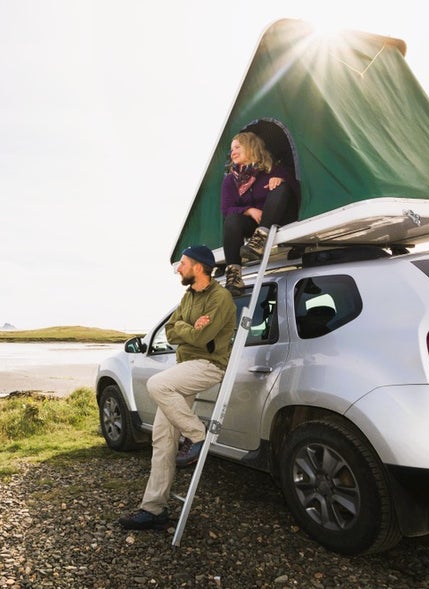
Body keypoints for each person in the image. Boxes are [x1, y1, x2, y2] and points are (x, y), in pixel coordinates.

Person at [118, 245, 236, 530]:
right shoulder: (188, 296)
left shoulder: (221, 298)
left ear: (197, 266)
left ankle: (198, 434)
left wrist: (192, 330)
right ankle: (154, 509)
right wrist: (189, 328)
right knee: (161, 438)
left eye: (182, 263)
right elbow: (172, 331)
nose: (179, 269)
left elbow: (204, 336)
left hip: (209, 365)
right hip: (186, 367)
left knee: (157, 383)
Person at [221, 131, 299, 295]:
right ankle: (234, 276)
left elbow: (295, 188)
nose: (233, 152)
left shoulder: (273, 169)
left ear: (251, 147)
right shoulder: (230, 180)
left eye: (237, 147)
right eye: (231, 149)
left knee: (281, 186)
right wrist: (249, 210)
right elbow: (226, 209)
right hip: (252, 224)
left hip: (277, 218)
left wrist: (280, 181)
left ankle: (260, 240)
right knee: (231, 220)